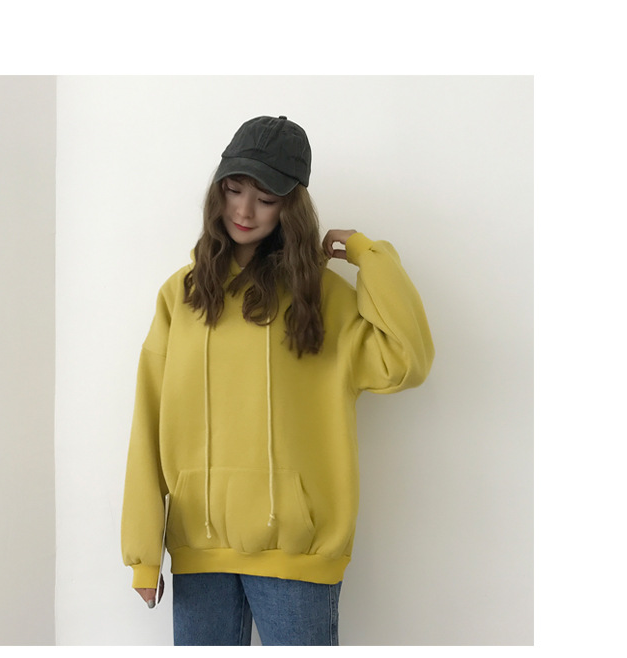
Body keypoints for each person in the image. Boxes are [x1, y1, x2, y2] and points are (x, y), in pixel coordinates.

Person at [121, 115, 434, 646]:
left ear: (291, 206)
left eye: (265, 198)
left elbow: (408, 359)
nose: (244, 211)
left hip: (297, 556)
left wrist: (368, 254)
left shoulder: (322, 297)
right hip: (199, 549)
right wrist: (143, 551)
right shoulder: (182, 294)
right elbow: (148, 419)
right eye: (234, 189)